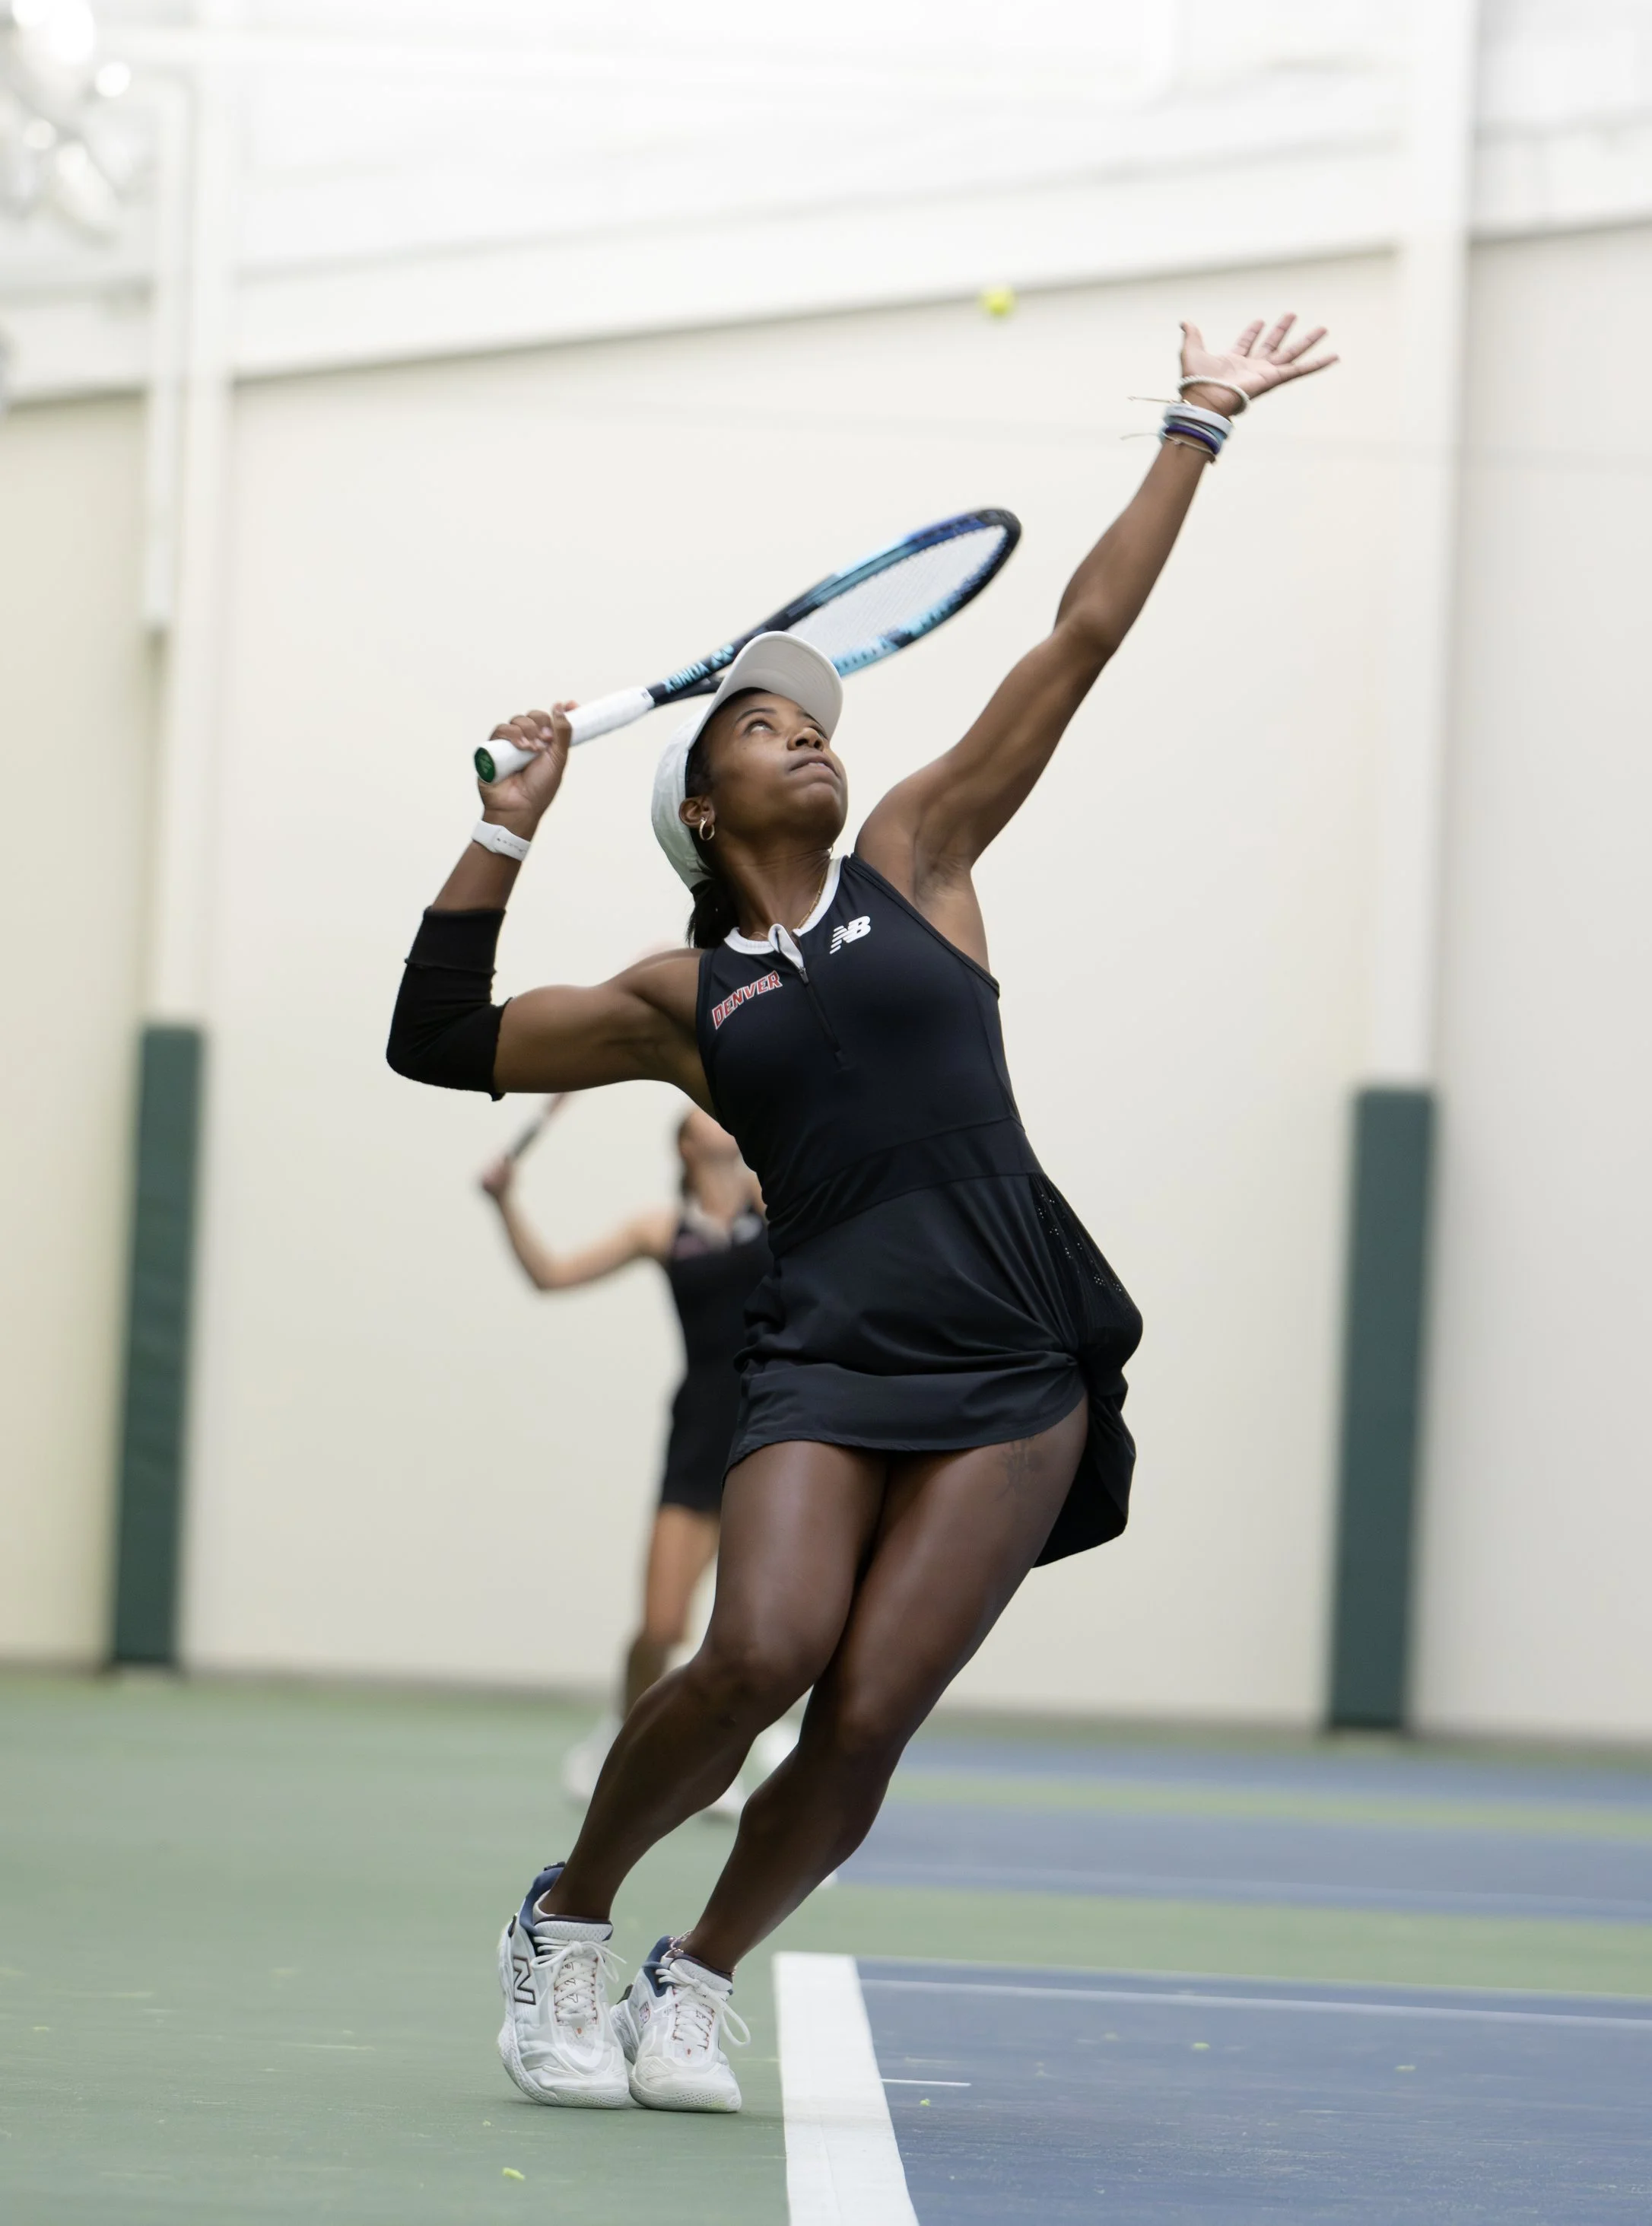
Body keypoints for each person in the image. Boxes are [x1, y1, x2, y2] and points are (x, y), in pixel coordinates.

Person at [386, 314, 1335, 2117]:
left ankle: (700, 1972)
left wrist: (1194, 425)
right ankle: (568, 1915)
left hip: (1014, 1344)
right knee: (758, 1647)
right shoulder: (680, 990)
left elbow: (1081, 632)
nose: (804, 738)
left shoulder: (921, 853)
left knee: (870, 1706)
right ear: (696, 797)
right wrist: (505, 829)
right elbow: (437, 1039)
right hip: (825, 1344)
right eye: (760, 725)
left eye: (812, 720)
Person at [478, 1104, 797, 1811]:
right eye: (700, 1116)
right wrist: (506, 1204)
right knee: (659, 1629)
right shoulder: (662, 1231)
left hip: (772, 1430)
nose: (717, 1118)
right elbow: (551, 1275)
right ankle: (620, 1737)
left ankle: (729, 1763)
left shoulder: (779, 1207)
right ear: (684, 1145)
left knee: (757, 1623)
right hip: (696, 1434)